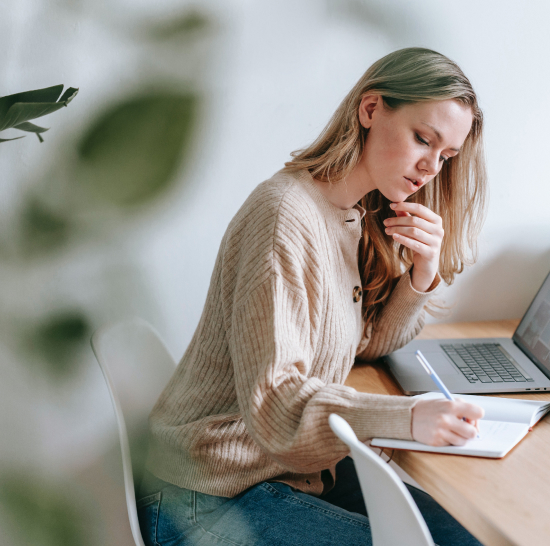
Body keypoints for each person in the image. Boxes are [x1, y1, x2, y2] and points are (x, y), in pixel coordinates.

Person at [137, 47, 489, 546]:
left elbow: (365, 344)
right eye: (422, 139)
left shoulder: (350, 214)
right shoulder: (284, 215)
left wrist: (421, 274)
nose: (431, 166)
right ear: (370, 110)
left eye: (446, 155)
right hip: (205, 497)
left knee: (465, 537)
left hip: (283, 472)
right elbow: (276, 403)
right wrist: (406, 417)